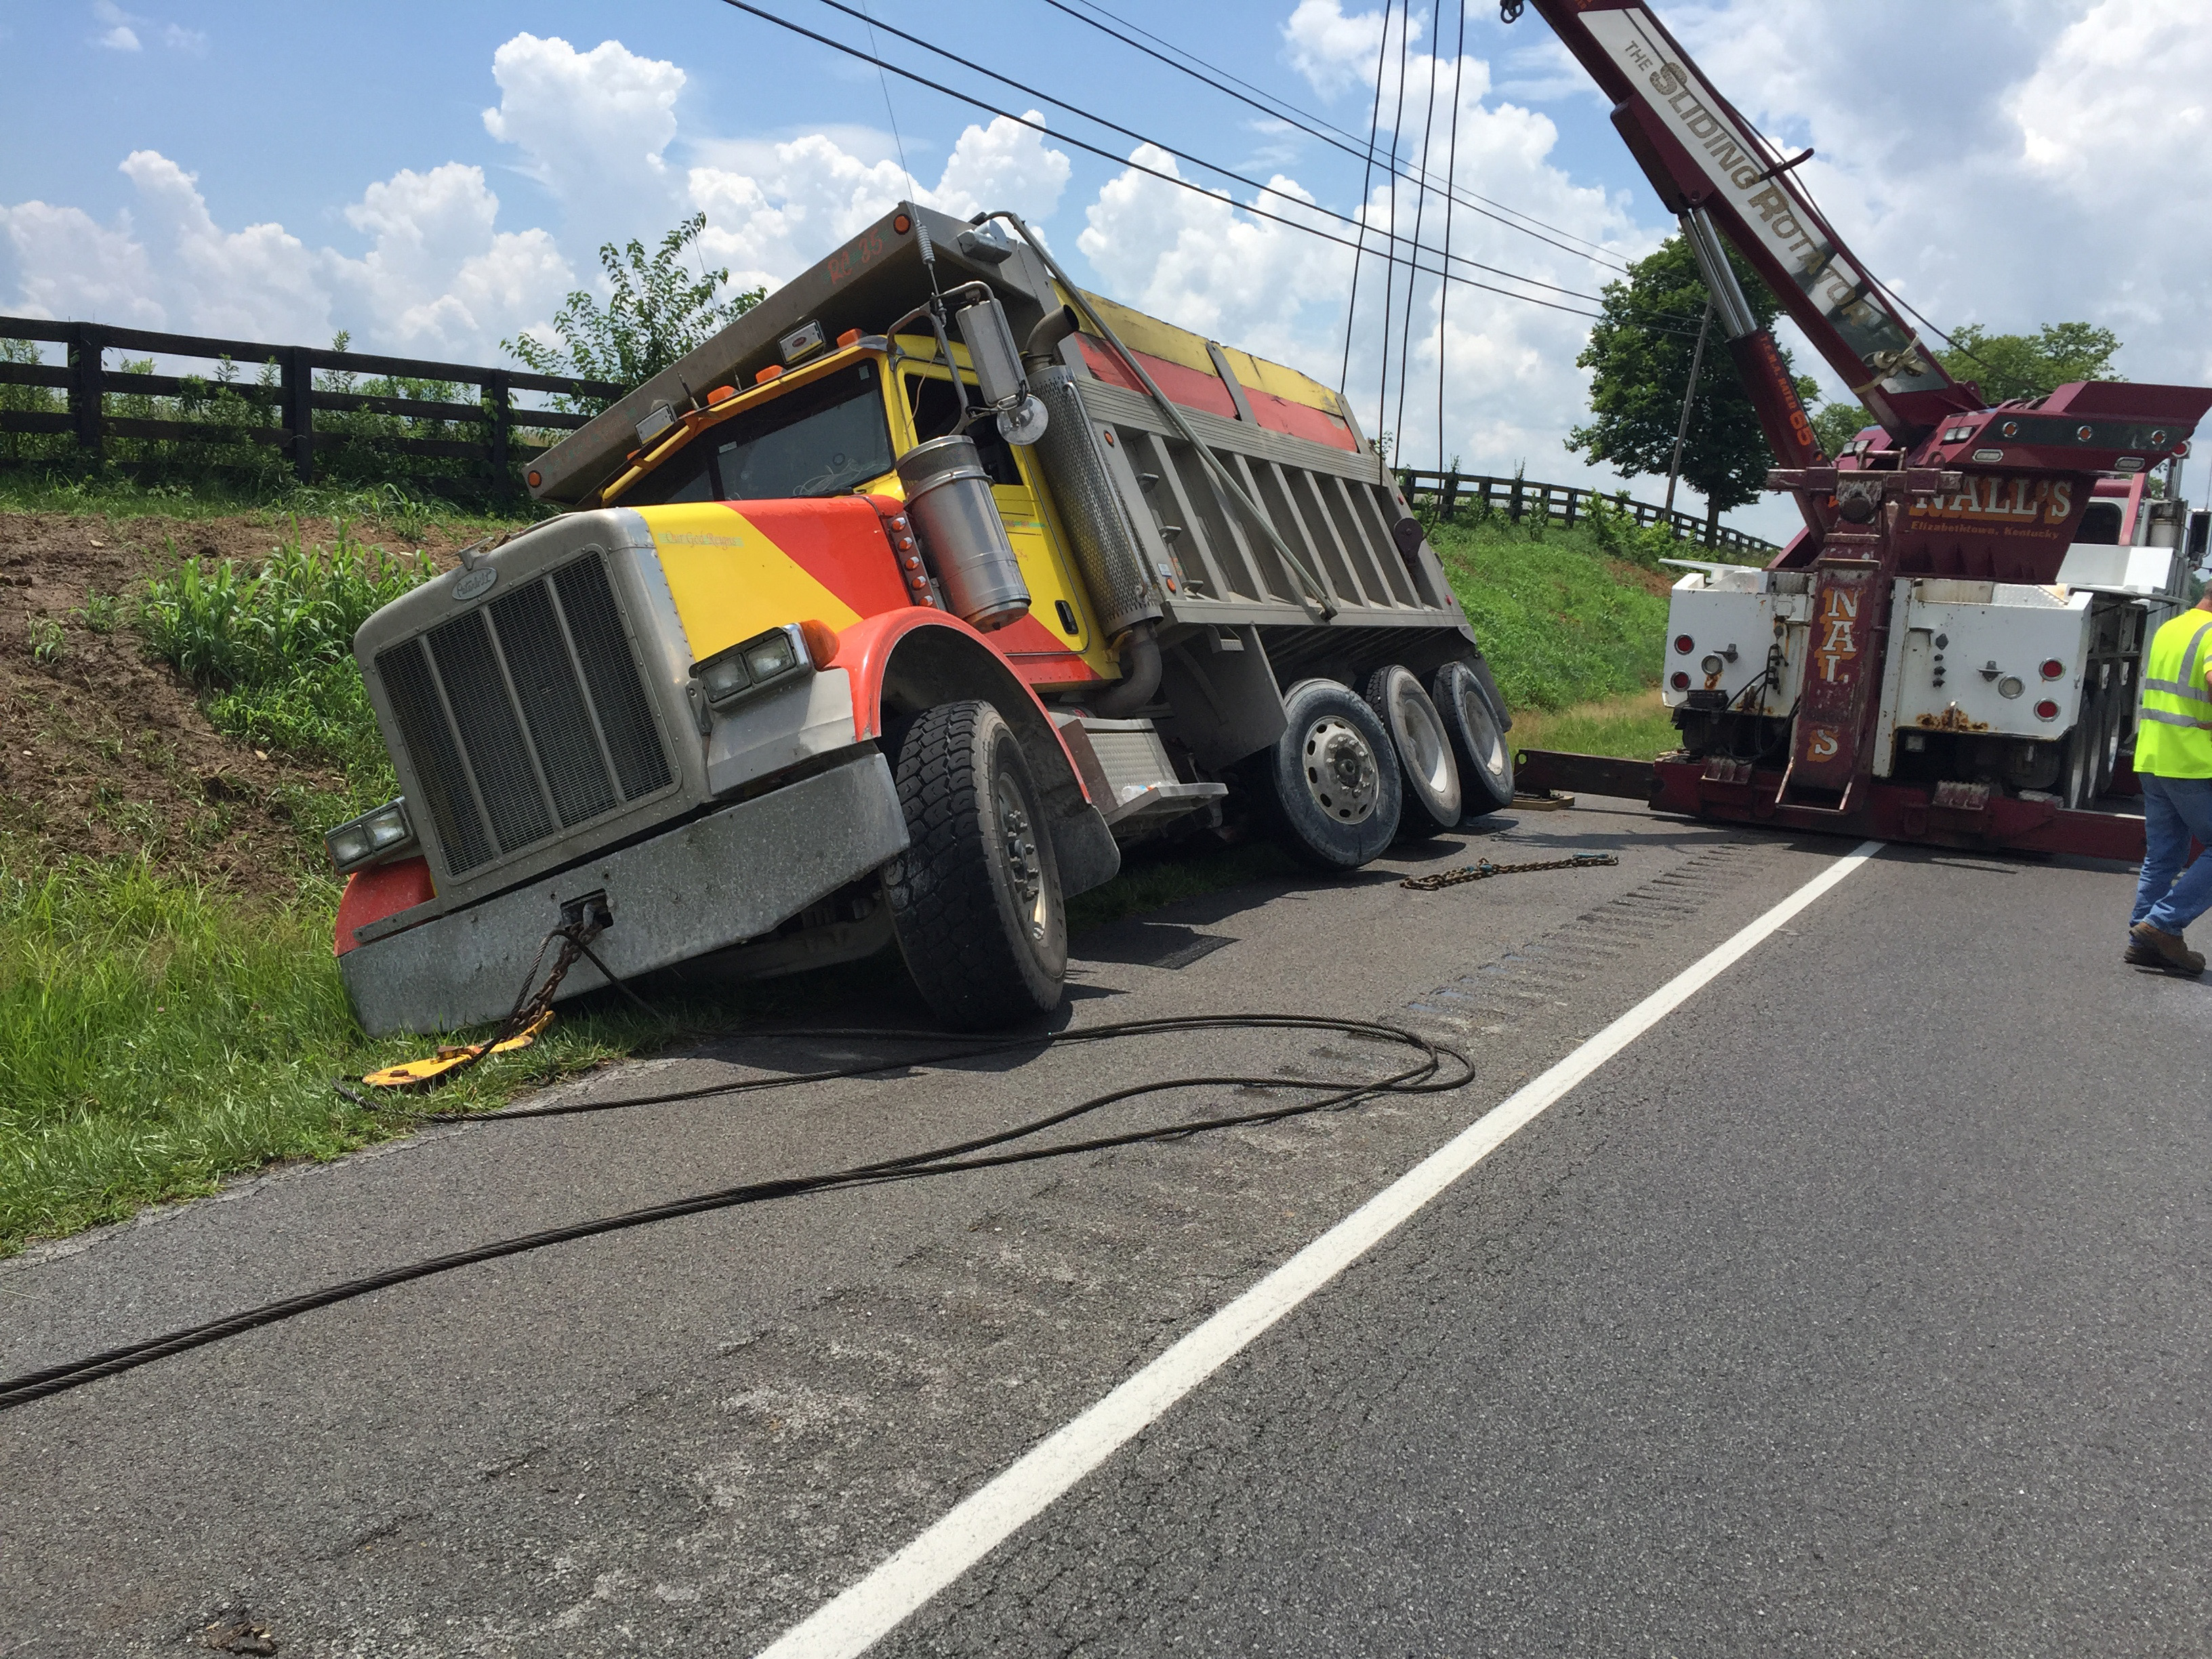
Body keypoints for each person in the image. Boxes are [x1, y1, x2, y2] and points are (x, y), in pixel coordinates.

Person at [2127, 581, 2212, 975]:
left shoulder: (2172, 627)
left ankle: (2142, 941)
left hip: (2154, 755)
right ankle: (2163, 924)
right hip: (2191, 760)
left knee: (2163, 855)